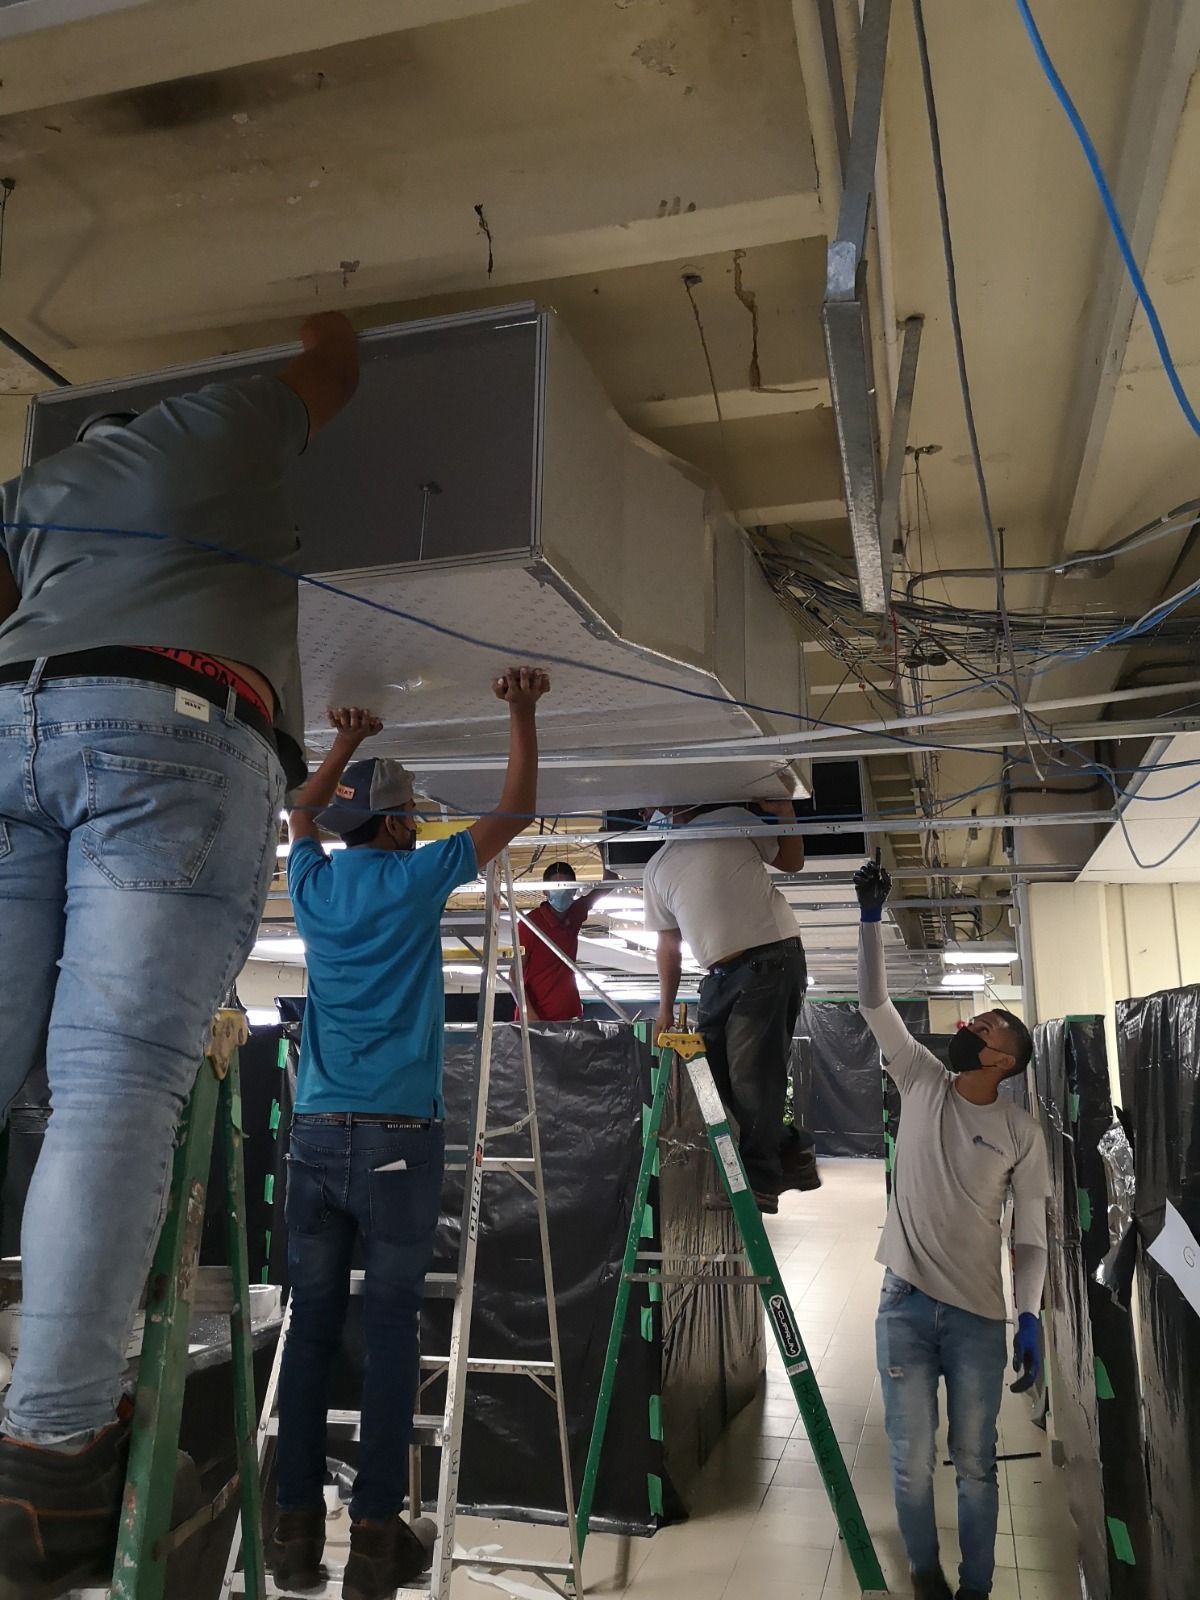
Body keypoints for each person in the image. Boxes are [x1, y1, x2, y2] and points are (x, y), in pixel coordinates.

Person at [0, 312, 359, 1598]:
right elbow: (330, 372)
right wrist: (334, 323)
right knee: (109, 1090)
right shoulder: (215, 426)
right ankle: (47, 1472)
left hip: (10, 726)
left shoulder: (30, 495)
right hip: (169, 726)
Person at [269, 669, 549, 1600]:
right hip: (398, 1140)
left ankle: (293, 1534)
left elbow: (297, 815)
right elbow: (517, 807)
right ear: (392, 826)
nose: (423, 824)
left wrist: (343, 744)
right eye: (415, 814)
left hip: (313, 1134)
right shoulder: (413, 874)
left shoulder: (313, 885)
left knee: (311, 1328)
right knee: (389, 1331)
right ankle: (379, 1539)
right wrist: (518, 708)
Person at [853, 853, 1049, 1600]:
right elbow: (874, 1005)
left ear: (1003, 1061)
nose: (971, 1027)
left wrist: (1028, 1316)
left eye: (987, 1027)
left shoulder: (1019, 1132)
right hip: (902, 1303)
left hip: (975, 1317)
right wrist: (871, 920)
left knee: (974, 1461)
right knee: (909, 1459)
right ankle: (927, 1578)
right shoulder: (921, 1080)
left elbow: (1027, 1232)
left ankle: (978, 1587)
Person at [643, 800, 818, 1212]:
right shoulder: (656, 868)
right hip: (717, 980)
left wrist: (785, 815)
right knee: (710, 1081)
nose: (654, 812)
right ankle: (792, 1152)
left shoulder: (732, 820)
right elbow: (668, 943)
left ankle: (760, 1181)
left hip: (770, 959)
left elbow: (791, 862)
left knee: (751, 1076)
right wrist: (665, 1007)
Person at [514, 861, 618, 1021]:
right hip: (537, 1020)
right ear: (545, 891)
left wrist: (601, 841)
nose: (562, 893)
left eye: (567, 887)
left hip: (569, 1016)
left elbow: (610, 880)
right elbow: (514, 974)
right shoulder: (530, 924)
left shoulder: (574, 913)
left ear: (574, 890)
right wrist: (530, 1015)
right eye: (557, 887)